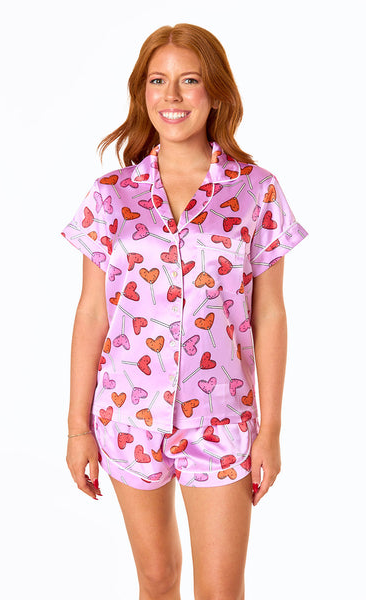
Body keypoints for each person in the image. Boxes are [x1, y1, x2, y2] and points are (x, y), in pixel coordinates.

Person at [61, 22, 308, 600]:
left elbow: (270, 314)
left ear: (215, 92)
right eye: (158, 81)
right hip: (128, 413)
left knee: (220, 589)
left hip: (221, 417)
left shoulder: (255, 191)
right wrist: (77, 428)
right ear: (141, 92)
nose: (171, 96)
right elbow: (92, 313)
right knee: (156, 579)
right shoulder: (111, 195)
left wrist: (270, 430)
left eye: (189, 80)